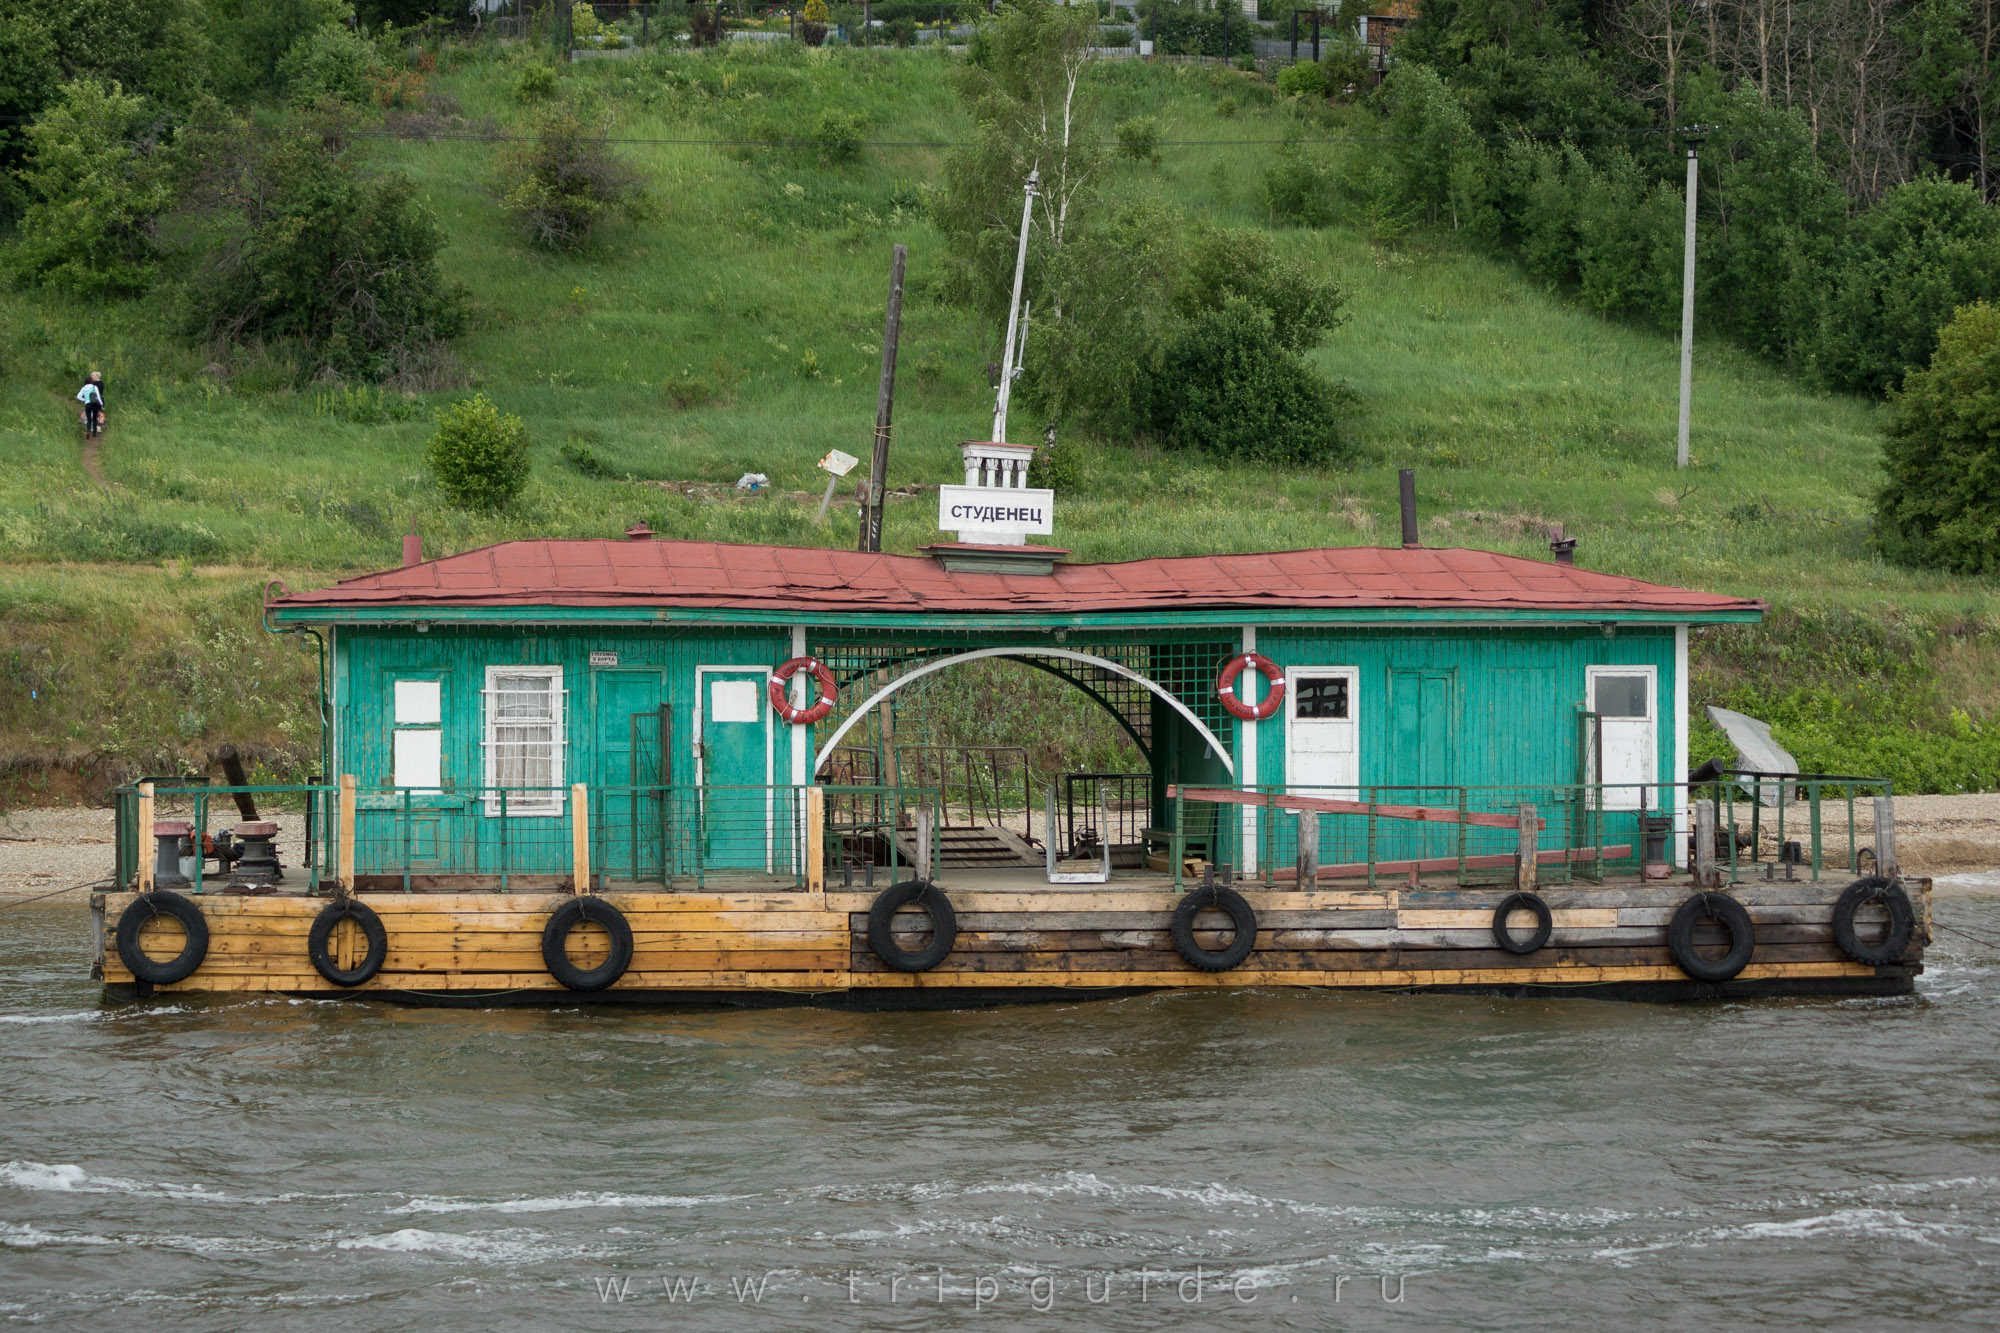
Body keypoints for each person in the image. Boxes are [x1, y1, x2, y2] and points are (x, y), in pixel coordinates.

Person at [76, 372, 104, 437]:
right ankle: (94, 433)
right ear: (91, 381)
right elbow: (98, 397)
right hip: (94, 404)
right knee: (94, 418)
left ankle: (88, 431)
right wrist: (101, 404)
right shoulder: (94, 387)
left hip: (87, 404)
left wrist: (85, 400)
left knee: (89, 419)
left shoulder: (83, 388)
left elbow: (78, 397)